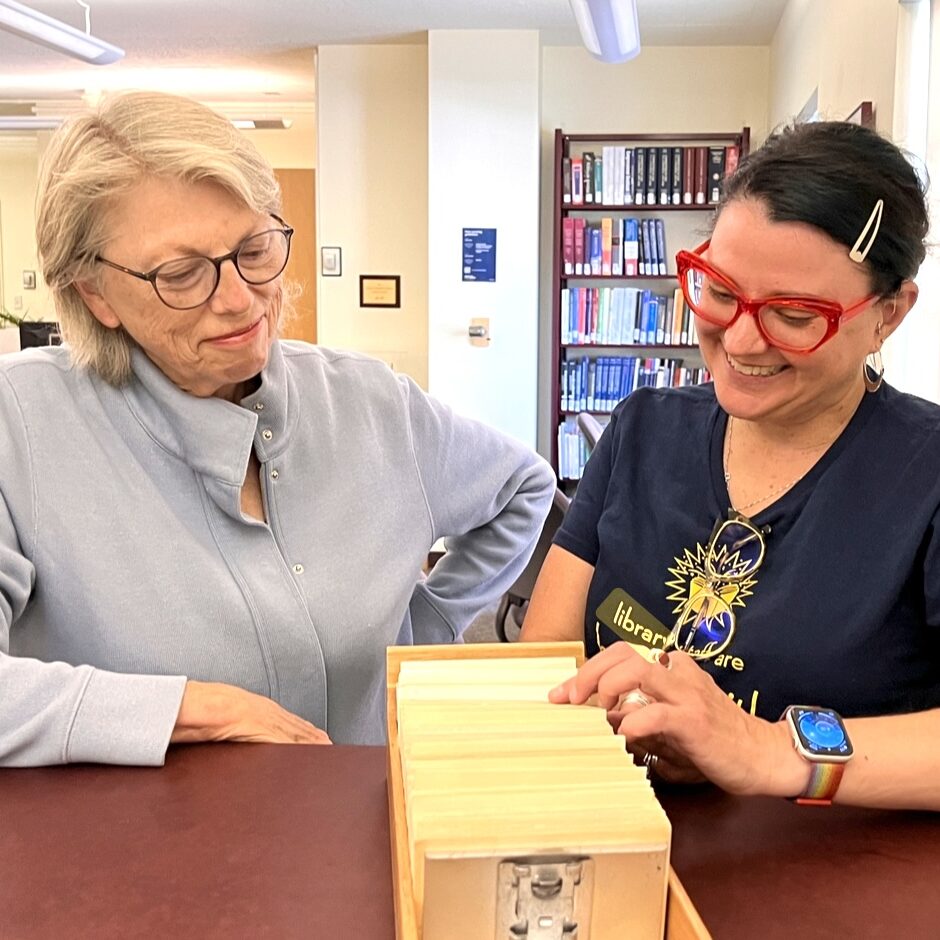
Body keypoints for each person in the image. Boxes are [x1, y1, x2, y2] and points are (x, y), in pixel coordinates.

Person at [0, 91, 555, 767]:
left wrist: (425, 629)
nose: (239, 299)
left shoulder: (370, 403)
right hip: (134, 859)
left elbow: (524, 489)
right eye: (181, 274)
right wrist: (186, 711)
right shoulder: (21, 423)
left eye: (255, 248)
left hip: (358, 835)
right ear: (94, 294)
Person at [522, 120, 940, 811]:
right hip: (620, 839)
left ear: (889, 314)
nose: (742, 340)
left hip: (826, 886)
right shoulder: (642, 430)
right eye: (720, 291)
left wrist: (762, 749)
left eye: (796, 315)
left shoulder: (922, 474)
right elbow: (543, 658)